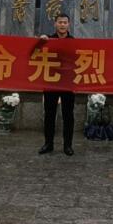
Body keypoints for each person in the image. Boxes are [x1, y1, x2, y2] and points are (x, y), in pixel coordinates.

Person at [38, 13, 77, 156]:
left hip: (67, 83)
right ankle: (48, 144)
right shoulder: (48, 39)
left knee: (68, 116)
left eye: (65, 22)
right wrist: (40, 42)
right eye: (60, 22)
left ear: (69, 24)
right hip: (51, 82)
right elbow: (34, 53)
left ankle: (68, 145)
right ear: (55, 24)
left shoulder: (74, 42)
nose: (62, 25)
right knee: (49, 114)